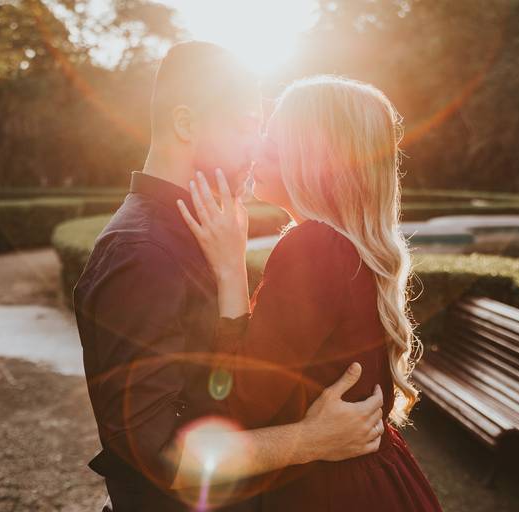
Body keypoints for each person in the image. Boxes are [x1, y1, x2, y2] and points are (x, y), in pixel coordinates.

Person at [73, 43, 387, 512]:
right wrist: (308, 440)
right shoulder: (142, 253)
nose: (258, 146)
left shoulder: (202, 230)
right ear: (186, 124)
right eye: (245, 126)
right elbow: (159, 456)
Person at [177, 75, 444, 511]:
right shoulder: (347, 244)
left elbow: (243, 403)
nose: (258, 147)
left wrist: (229, 270)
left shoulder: (314, 247)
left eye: (276, 137)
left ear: (318, 156)